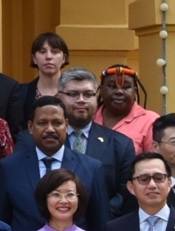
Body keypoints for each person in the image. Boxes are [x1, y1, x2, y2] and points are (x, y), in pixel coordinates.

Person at [0, 96, 108, 231]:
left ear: (66, 126)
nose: (50, 129)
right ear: (30, 127)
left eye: (57, 123)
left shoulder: (91, 168)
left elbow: (100, 225)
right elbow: (1, 221)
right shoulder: (10, 167)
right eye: (42, 123)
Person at [56, 67, 136, 217]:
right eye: (73, 94)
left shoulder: (121, 145)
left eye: (88, 94)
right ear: (59, 97)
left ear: (96, 97)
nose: (81, 100)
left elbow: (126, 191)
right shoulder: (41, 140)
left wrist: (101, 216)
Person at [94, 65, 159, 154]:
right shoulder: (89, 117)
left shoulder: (150, 120)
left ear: (135, 92)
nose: (119, 92)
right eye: (112, 86)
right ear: (101, 90)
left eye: (126, 87)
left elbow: (154, 162)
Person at [19, 33, 70, 134]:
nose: (48, 57)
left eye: (55, 52)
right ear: (34, 58)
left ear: (64, 58)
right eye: (42, 52)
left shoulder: (73, 92)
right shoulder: (21, 92)